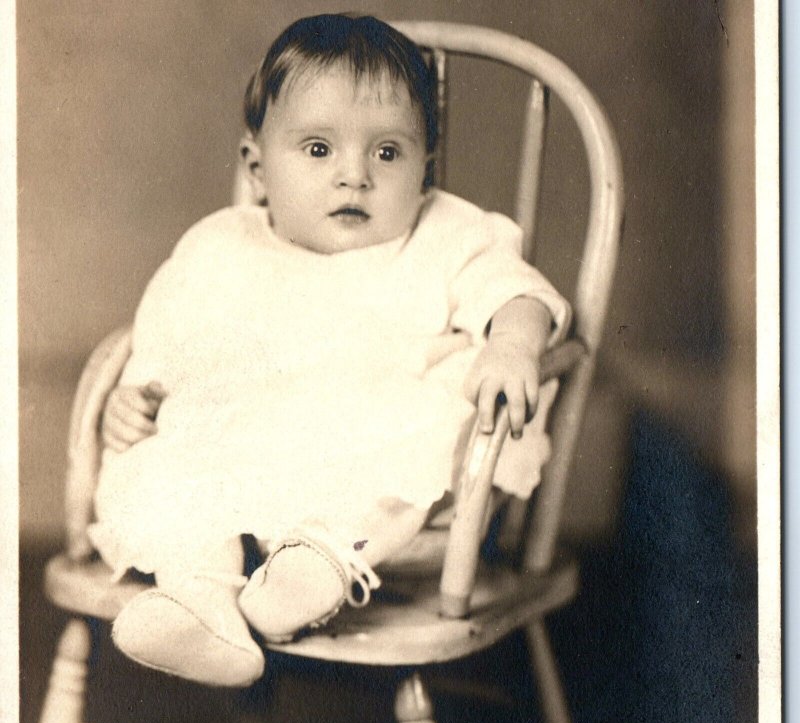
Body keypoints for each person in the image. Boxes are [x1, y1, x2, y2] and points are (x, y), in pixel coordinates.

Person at [92, 13, 572, 687]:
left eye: (387, 152)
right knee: (167, 468)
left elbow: (515, 290)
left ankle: (312, 569)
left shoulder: (442, 234)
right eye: (318, 149)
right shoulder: (222, 248)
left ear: (424, 169)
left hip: (365, 471)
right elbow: (166, 355)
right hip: (242, 457)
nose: (354, 175)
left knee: (438, 419)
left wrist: (513, 346)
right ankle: (204, 601)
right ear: (257, 169)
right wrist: (130, 402)